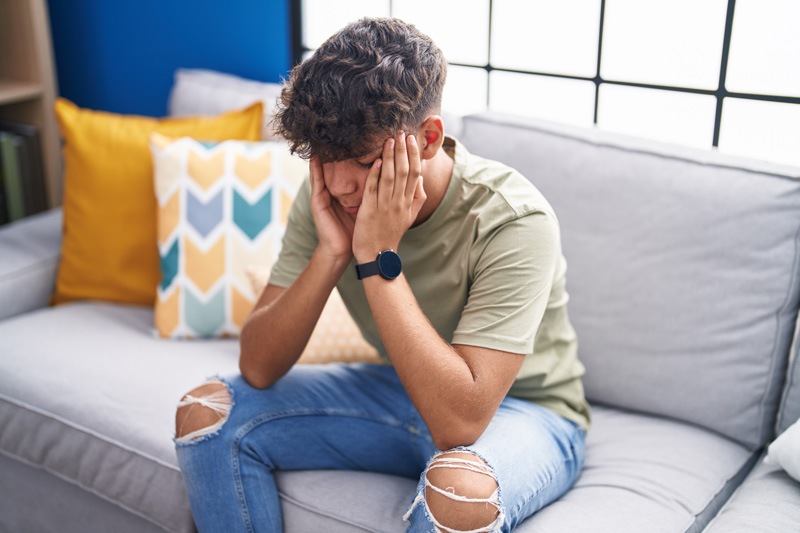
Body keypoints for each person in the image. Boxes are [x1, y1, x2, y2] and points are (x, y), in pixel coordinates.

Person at [174, 17, 590, 533]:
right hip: (396, 388)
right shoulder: (330, 195)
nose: (342, 184)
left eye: (364, 160)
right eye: (325, 158)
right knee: (206, 414)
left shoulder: (512, 219)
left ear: (429, 138)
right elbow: (258, 367)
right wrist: (332, 253)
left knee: (457, 492)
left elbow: (459, 423)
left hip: (525, 411)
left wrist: (376, 255)